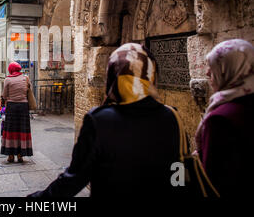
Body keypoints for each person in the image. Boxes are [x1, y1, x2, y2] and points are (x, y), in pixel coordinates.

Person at [28, 43, 181, 197]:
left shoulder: (100, 121)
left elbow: (74, 179)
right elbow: (178, 172)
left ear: (113, 75)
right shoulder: (172, 117)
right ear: (151, 75)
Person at [195, 39, 254, 197]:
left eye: (213, 66)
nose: (207, 73)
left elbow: (212, 181)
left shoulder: (220, 119)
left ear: (229, 69)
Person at [0, 62, 33, 163]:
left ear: (11, 69)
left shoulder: (7, 79)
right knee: (21, 130)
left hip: (12, 107)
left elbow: (5, 95)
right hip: (23, 107)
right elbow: (29, 90)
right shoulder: (25, 78)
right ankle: (20, 155)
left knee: (11, 131)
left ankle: (10, 156)